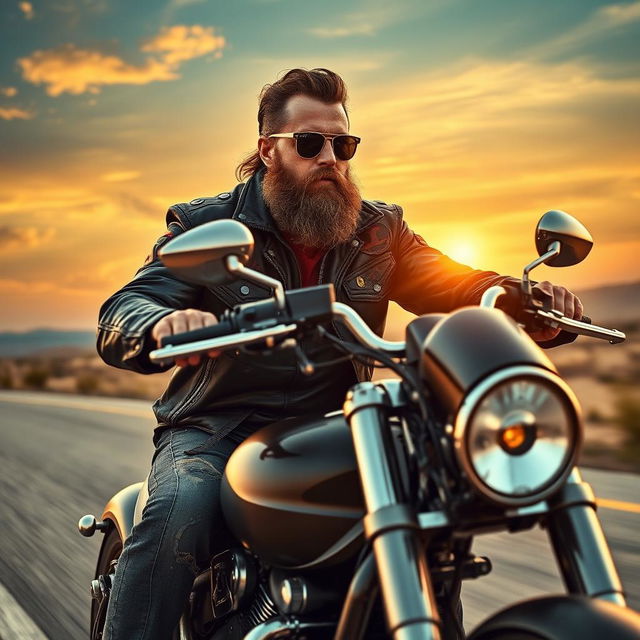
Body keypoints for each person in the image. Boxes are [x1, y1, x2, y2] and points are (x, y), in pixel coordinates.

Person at [97, 67, 583, 639]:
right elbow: (127, 306)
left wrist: (519, 299)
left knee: (436, 505)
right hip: (218, 425)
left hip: (345, 424)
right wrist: (159, 324)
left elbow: (453, 282)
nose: (330, 157)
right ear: (268, 151)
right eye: (309, 143)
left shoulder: (378, 229)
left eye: (342, 144)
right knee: (180, 509)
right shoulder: (207, 223)